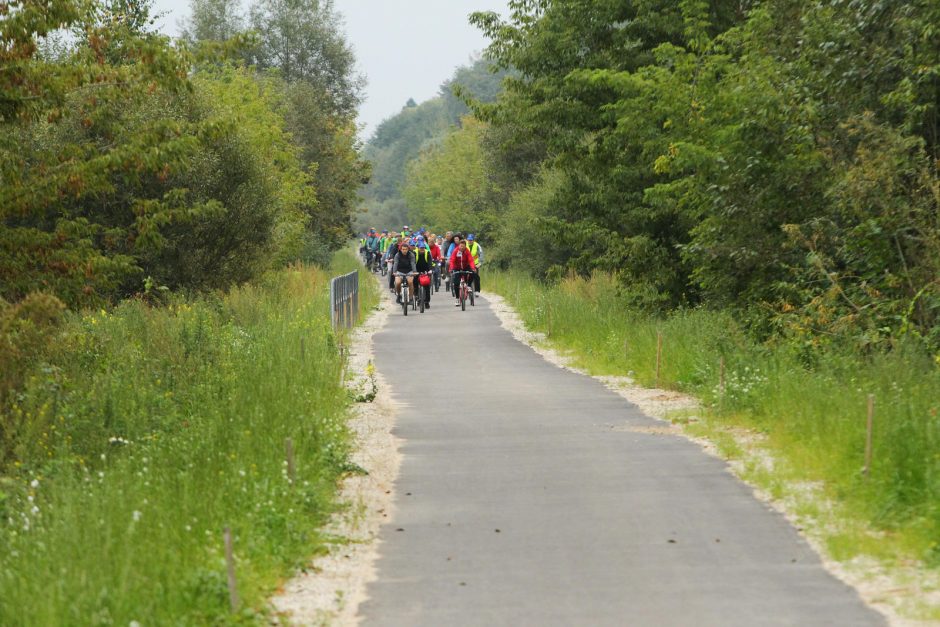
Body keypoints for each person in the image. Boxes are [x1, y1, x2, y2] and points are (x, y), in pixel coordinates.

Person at [448, 239, 477, 305]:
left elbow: (471, 260)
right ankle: (457, 298)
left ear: (465, 246)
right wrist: (452, 268)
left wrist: (473, 268)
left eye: (463, 246)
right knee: (456, 283)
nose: (462, 248)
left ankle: (469, 285)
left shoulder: (467, 251)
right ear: (459, 246)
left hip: (465, 266)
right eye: (461, 246)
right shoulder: (455, 251)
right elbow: (452, 260)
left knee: (472, 273)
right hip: (456, 267)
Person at [413, 241, 435, 307]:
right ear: (418, 248)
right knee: (415, 282)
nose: (422, 249)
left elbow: (429, 262)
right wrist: (414, 271)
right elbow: (413, 262)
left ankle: (427, 302)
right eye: (420, 248)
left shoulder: (427, 252)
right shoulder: (414, 253)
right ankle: (416, 295)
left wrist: (430, 270)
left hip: (426, 270)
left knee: (427, 286)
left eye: (423, 248)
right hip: (416, 270)